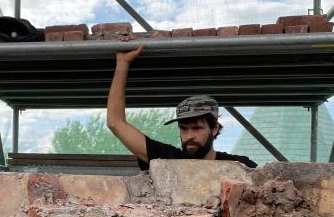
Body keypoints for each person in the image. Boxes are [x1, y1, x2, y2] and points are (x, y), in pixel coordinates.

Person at [107, 45, 257, 171]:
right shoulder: (167, 160)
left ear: (215, 129)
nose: (189, 135)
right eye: (184, 128)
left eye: (197, 128)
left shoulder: (239, 167)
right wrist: (123, 63)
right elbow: (115, 122)